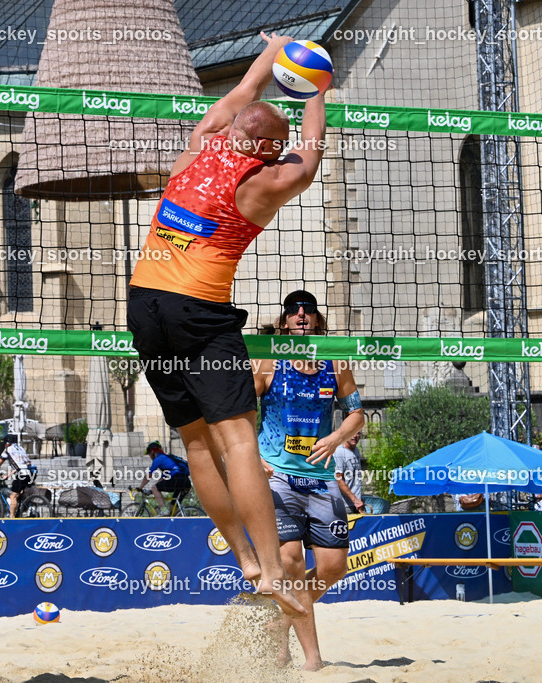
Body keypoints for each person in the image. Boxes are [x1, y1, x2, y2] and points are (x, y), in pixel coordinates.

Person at [126, 32, 327, 618]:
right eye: (278, 146)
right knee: (237, 440)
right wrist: (317, 85)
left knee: (195, 445)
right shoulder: (261, 183)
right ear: (266, 149)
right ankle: (272, 571)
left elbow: (244, 89)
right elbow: (309, 155)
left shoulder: (197, 146)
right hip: (197, 309)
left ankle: (240, 556)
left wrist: (275, 51)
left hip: (144, 303)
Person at [252, 291, 365, 670]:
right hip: (278, 475)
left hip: (319, 478)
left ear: (317, 320)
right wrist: (247, 456)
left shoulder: (335, 361)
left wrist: (335, 438)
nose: (301, 316)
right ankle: (313, 661)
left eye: (309, 311)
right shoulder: (270, 360)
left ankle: (280, 626)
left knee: (334, 567)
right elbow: (235, 405)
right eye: (293, 312)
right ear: (284, 322)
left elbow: (357, 414)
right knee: (292, 562)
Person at [136, 441, 192, 514]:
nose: (149, 456)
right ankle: (182, 523)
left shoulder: (159, 459)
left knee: (154, 487)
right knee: (173, 510)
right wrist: (151, 491)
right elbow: (161, 480)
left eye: (149, 453)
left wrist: (140, 487)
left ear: (152, 451)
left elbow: (148, 476)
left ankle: (164, 510)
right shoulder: (167, 459)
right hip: (186, 482)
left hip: (176, 480)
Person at [0, 434, 35, 518]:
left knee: (13, 496)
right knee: (18, 494)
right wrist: (8, 475)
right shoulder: (21, 448)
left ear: (7, 443)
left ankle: (12, 517)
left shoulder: (7, 450)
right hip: (30, 473)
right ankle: (23, 509)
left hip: (22, 474)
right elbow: (19, 465)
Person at [332, 432, 366, 514]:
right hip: (345, 506)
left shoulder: (356, 450)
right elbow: (338, 480)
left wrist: (359, 498)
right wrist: (355, 500)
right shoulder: (339, 452)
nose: (355, 436)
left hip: (356, 504)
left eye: (358, 433)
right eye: (352, 432)